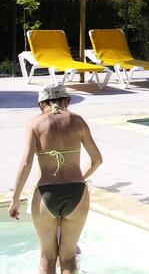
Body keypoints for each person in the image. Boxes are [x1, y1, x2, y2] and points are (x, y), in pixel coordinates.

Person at [8, 84, 103, 274]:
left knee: (47, 258)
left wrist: (15, 199)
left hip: (46, 194)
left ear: (41, 104)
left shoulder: (35, 124)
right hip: (77, 193)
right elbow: (97, 160)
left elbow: (26, 164)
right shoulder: (78, 121)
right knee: (68, 257)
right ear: (66, 101)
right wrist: (79, 178)